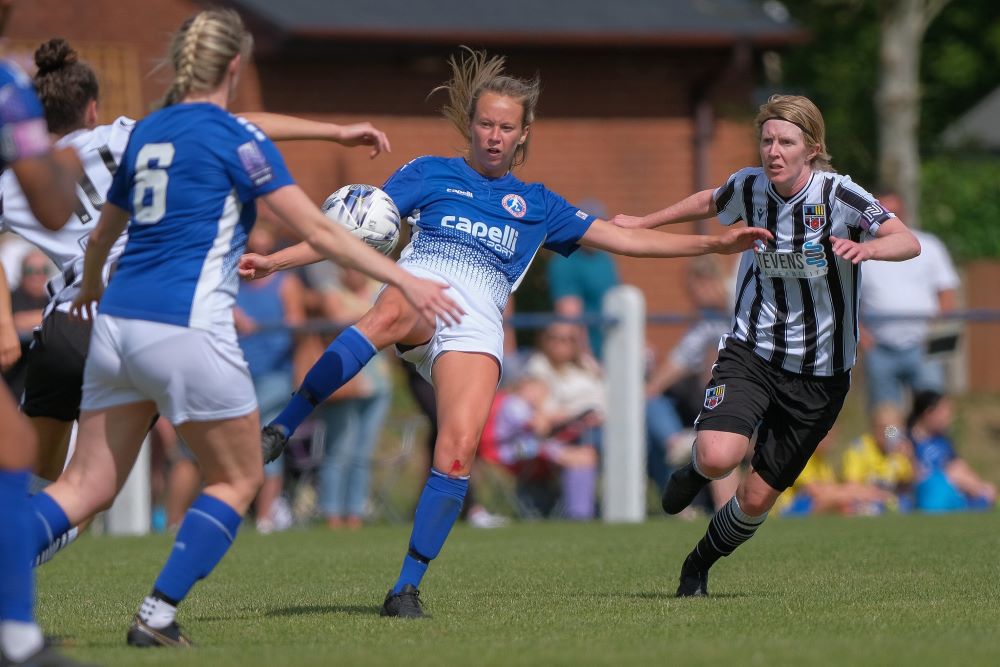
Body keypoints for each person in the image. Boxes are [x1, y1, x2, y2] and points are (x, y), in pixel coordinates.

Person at [241, 47, 770, 618]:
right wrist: (277, 262)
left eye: (506, 127)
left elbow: (629, 241)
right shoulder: (428, 173)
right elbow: (353, 232)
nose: (494, 135)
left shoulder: (539, 205)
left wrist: (714, 243)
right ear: (471, 126)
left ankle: (405, 589)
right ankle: (281, 429)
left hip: (476, 325)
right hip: (422, 293)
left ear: (523, 135)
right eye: (486, 123)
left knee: (458, 450)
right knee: (388, 312)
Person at [25, 8, 461, 649]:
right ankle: (155, 616)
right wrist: (403, 279)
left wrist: (90, 287)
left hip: (113, 329)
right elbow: (317, 231)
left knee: (82, 486)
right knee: (239, 479)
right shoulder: (235, 140)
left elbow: (104, 232)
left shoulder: (146, 134)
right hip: (186, 326)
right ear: (235, 67)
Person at [0, 37, 399, 491]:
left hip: (68, 325)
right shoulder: (130, 134)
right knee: (166, 479)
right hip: (141, 310)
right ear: (93, 108)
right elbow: (238, 125)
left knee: (39, 469)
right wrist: (334, 131)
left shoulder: (15, 179)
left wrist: (2, 323)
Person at [613, 94, 920, 597]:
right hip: (752, 350)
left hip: (821, 374)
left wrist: (868, 248)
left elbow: (906, 239)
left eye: (786, 142)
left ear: (812, 147)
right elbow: (709, 200)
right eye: (767, 140)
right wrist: (643, 222)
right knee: (717, 457)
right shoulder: (750, 187)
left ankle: (698, 564)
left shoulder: (840, 196)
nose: (773, 151)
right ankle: (695, 468)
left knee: (754, 499)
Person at [0, 2, 90, 664]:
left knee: (16, 445)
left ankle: (16, 635)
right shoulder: (7, 89)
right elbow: (54, 203)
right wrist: (66, 167)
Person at [859, 191, 960, 408]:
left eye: (893, 213)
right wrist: (864, 338)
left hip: (923, 348)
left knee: (930, 411)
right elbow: (846, 303)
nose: (886, 219)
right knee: (887, 418)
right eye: (882, 212)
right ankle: (894, 442)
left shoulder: (929, 246)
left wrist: (936, 334)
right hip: (880, 349)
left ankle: (929, 443)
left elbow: (947, 294)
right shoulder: (861, 251)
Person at [546, 198, 619, 358]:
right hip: (582, 354)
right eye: (592, 224)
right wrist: (587, 357)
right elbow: (570, 313)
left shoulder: (605, 259)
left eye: (602, 224)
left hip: (612, 347)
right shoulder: (564, 261)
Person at [907, 390, 997, 511]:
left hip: (948, 491)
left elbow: (959, 465)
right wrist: (897, 441)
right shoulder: (910, 436)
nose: (950, 417)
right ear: (929, 413)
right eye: (945, 412)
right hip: (922, 492)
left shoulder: (943, 441)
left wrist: (980, 486)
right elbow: (888, 430)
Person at [840, 402, 915, 513]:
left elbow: (910, 484)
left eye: (895, 431)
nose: (890, 435)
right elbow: (851, 487)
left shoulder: (899, 452)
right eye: (887, 430)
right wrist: (879, 495)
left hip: (889, 504)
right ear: (875, 428)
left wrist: (911, 458)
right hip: (865, 502)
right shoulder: (860, 449)